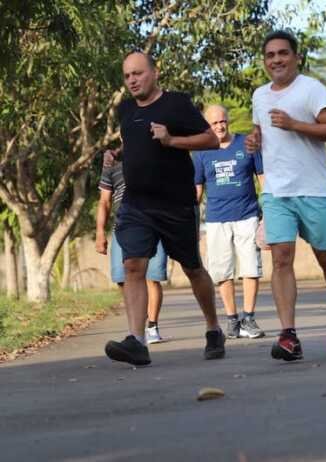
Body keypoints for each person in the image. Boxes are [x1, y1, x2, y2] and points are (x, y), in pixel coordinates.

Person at [104, 51, 224, 366]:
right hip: (136, 204)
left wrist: (171, 141)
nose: (132, 80)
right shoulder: (126, 109)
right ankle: (137, 340)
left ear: (154, 73)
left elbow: (211, 140)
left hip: (176, 203)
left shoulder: (177, 104)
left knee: (192, 269)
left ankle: (213, 328)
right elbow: (135, 141)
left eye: (138, 73)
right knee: (133, 266)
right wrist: (117, 153)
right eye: (127, 75)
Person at [246, 30, 326, 361]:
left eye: (283, 53)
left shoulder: (312, 89)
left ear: (296, 57)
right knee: (281, 258)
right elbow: (260, 131)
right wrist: (254, 140)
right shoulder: (259, 96)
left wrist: (295, 124)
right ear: (264, 61)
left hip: (313, 190)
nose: (276, 60)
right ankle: (288, 335)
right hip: (277, 191)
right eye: (270, 55)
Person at [194, 104, 266, 340]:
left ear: (228, 120)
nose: (219, 126)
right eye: (214, 123)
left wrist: (268, 212)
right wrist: (188, 220)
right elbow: (197, 190)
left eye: (222, 121)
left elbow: (263, 178)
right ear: (207, 125)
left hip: (248, 215)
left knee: (250, 268)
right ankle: (232, 320)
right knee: (222, 271)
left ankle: (248, 318)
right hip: (216, 219)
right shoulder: (201, 151)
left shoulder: (247, 144)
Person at [96, 156, 168, 344]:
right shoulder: (112, 163)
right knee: (122, 278)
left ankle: (152, 326)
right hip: (122, 227)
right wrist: (100, 232)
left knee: (152, 277)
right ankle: (136, 326)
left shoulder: (153, 154)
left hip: (154, 224)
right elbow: (104, 201)